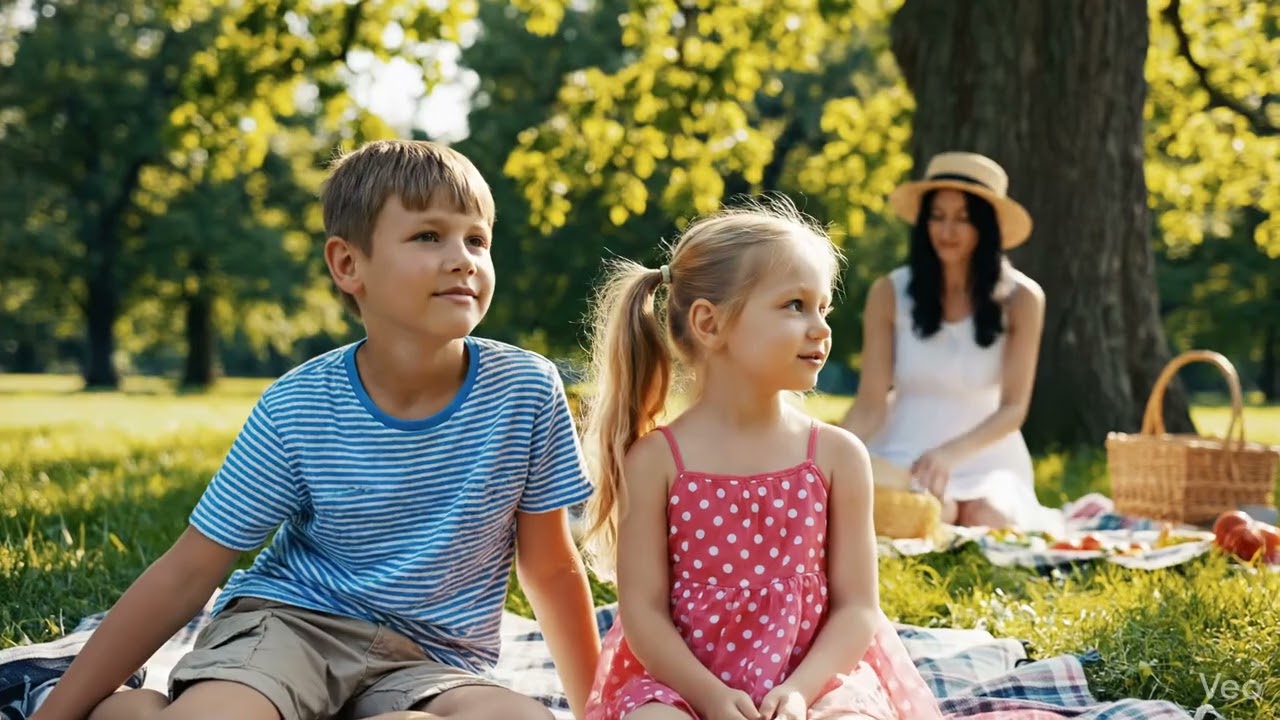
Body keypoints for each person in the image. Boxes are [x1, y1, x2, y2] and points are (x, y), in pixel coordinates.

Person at [29, 140, 601, 720]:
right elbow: (189, 571)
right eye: (429, 236)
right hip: (290, 628)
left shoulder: (527, 389)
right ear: (348, 265)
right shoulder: (298, 406)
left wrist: (596, 711)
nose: (463, 259)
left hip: (431, 661)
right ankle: (132, 710)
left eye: (476, 239)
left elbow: (550, 567)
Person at [576, 197, 942, 720]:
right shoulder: (657, 462)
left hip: (813, 681)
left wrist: (799, 692)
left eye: (823, 308)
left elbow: (858, 609)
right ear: (709, 323)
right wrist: (709, 697)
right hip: (683, 684)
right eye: (795, 305)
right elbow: (644, 616)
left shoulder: (837, 456)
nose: (821, 328)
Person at [841, 151, 1062, 533]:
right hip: (904, 453)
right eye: (937, 216)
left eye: (963, 218)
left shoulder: (1023, 299)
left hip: (986, 458)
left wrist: (948, 455)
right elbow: (870, 404)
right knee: (926, 513)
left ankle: (963, 507)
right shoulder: (889, 292)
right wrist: (828, 455)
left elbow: (1013, 408)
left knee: (987, 519)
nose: (947, 230)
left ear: (987, 226)